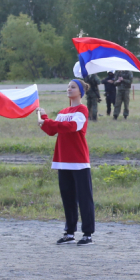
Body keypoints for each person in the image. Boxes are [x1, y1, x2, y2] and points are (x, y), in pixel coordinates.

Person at [39, 79, 95, 246]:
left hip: (78, 161)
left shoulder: (82, 109)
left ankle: (87, 234)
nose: (69, 89)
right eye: (68, 86)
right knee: (68, 198)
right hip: (63, 161)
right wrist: (43, 117)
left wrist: (49, 122)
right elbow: (52, 130)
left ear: (80, 92)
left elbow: (71, 127)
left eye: (73, 87)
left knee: (85, 199)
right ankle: (69, 232)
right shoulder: (63, 111)